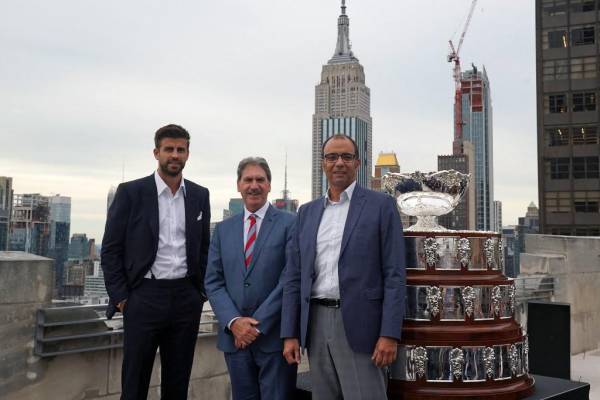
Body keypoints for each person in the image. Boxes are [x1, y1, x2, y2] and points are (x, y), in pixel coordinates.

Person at [281, 134, 406, 399]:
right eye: (331, 157)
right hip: (315, 324)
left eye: (346, 157)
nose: (339, 163)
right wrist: (290, 333)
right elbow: (294, 276)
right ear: (323, 163)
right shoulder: (307, 212)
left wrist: (389, 334)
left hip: (363, 327)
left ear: (357, 163)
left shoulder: (381, 207)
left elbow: (394, 275)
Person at [101, 124, 211, 400]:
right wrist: (123, 298)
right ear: (156, 152)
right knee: (135, 382)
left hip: (185, 298)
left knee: (178, 382)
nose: (175, 155)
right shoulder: (131, 192)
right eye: (169, 149)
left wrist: (200, 293)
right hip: (143, 298)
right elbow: (111, 250)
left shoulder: (200, 195)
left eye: (180, 150)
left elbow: (204, 249)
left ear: (188, 154)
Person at [205, 157, 297, 399]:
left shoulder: (291, 224)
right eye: (248, 180)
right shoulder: (223, 230)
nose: (253, 185)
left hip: (275, 340)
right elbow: (213, 281)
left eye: (260, 180)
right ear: (238, 185)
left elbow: (290, 279)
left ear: (269, 185)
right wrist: (234, 322)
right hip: (235, 340)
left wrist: (256, 326)